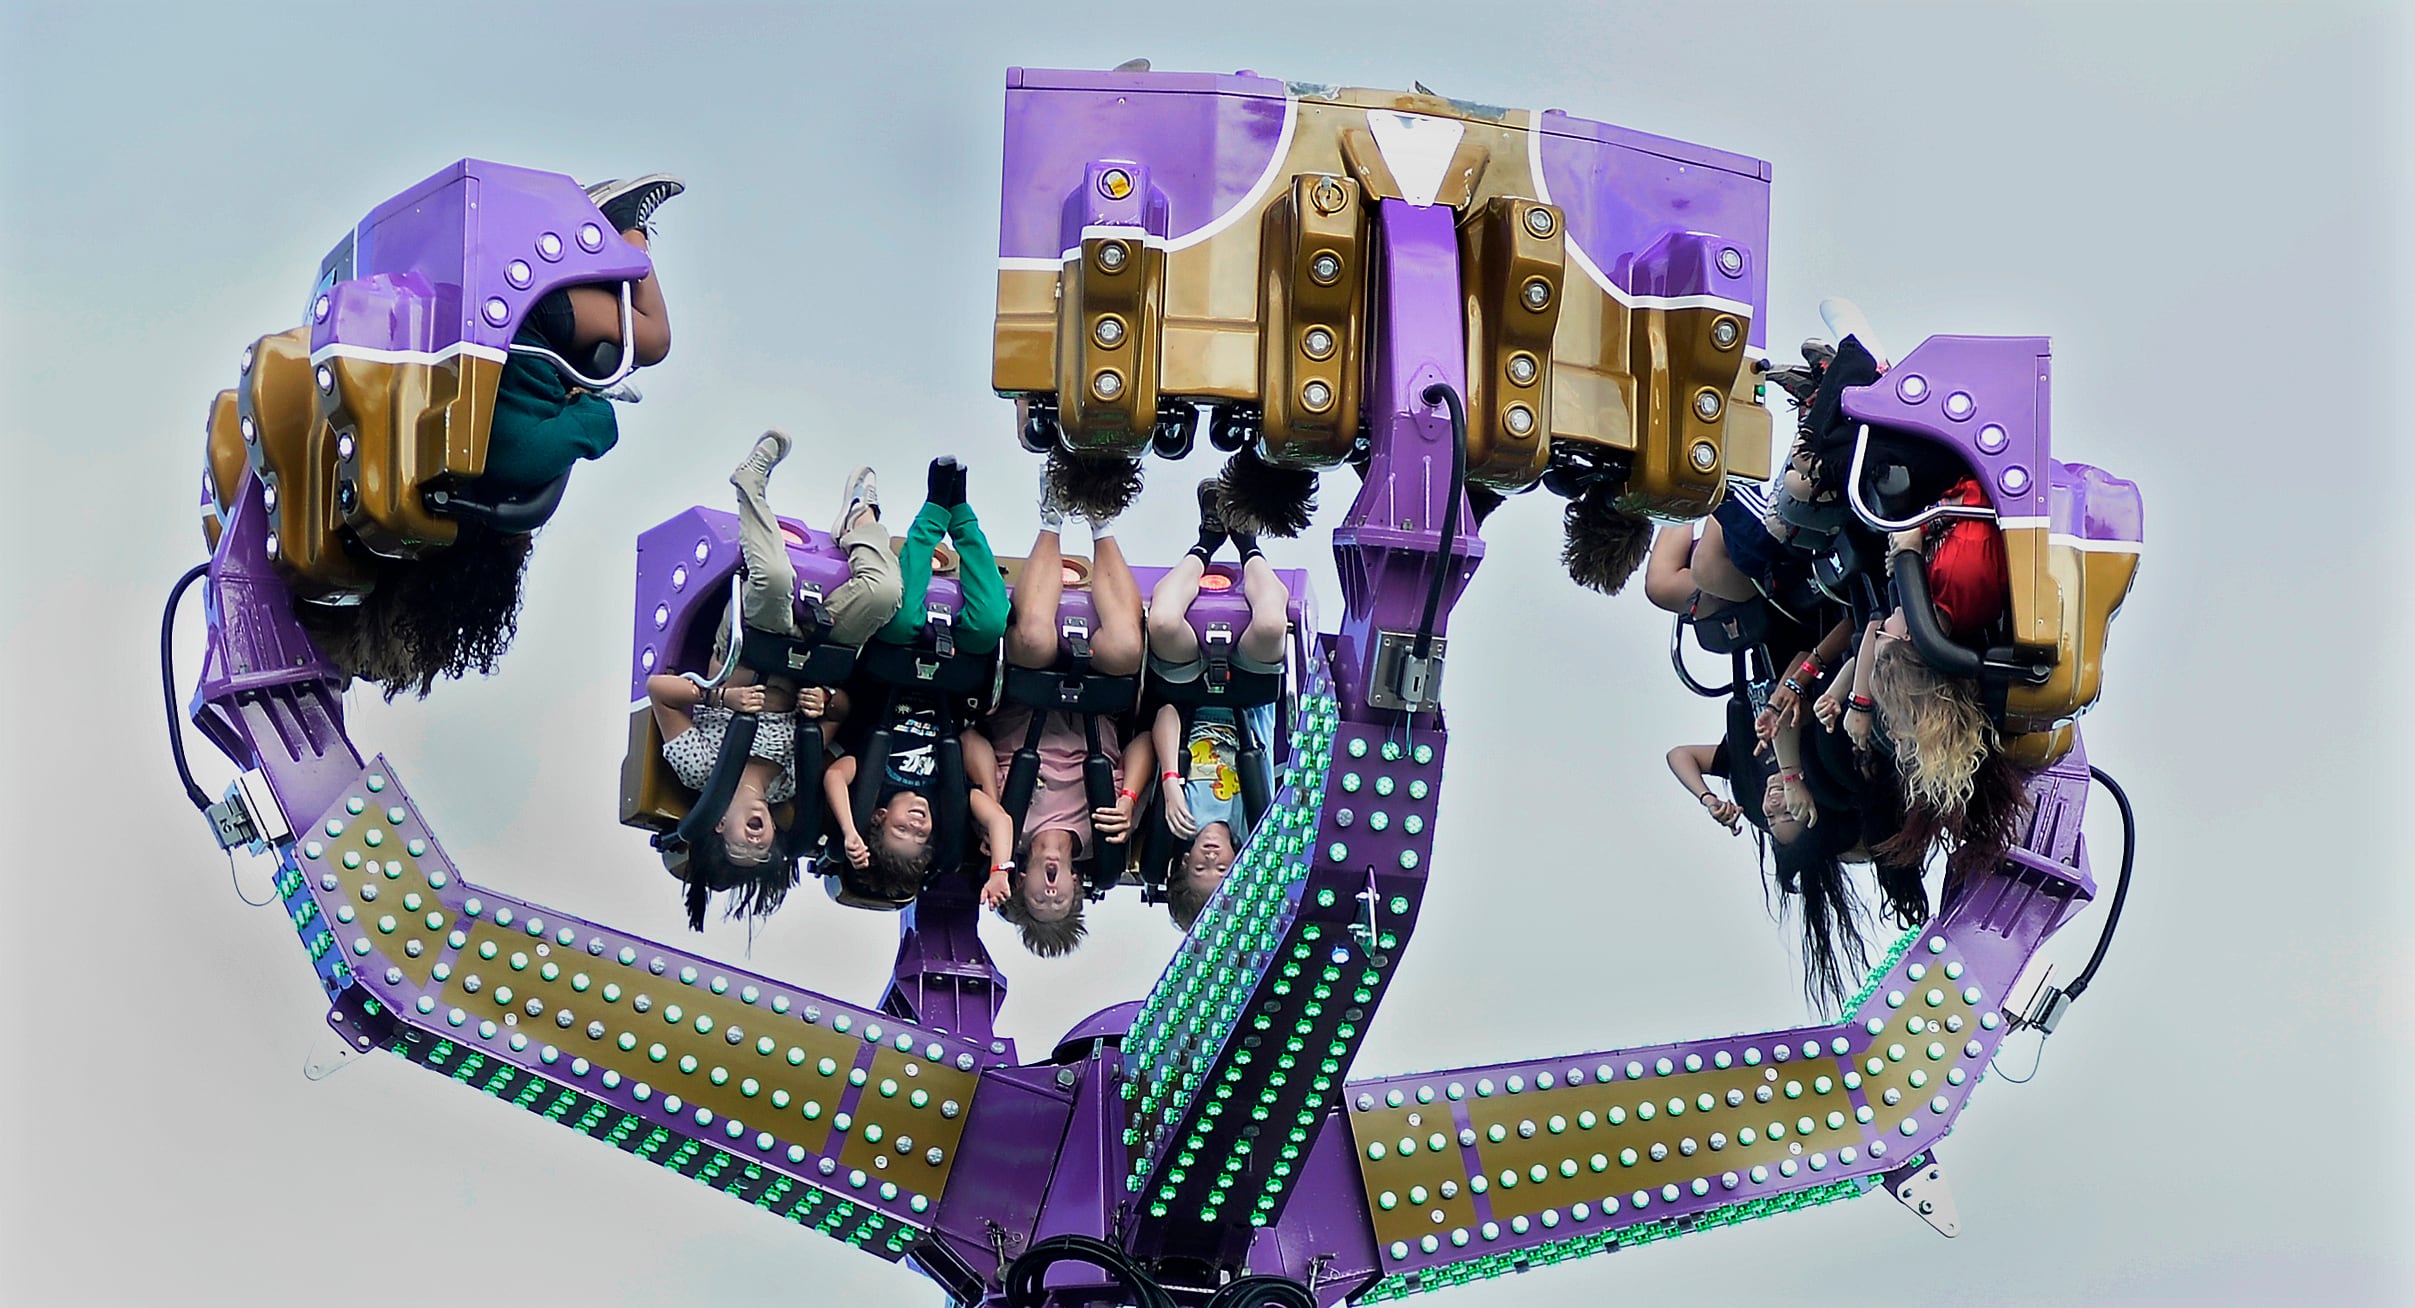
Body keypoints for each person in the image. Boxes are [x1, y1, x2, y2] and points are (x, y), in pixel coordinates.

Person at [306, 175, 684, 699]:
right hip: (467, 318)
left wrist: (579, 401)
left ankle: (623, 225)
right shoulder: (430, 482)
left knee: (652, 338)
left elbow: (601, 426)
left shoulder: (522, 484)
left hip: (528, 321)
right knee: (591, 354)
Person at [644, 431, 899, 913]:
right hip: (813, 658)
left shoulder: (700, 769)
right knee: (883, 593)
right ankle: (859, 520)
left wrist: (722, 700)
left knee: (775, 580)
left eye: (743, 846)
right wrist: (823, 703)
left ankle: (750, 488)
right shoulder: (789, 783)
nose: (758, 841)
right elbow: (843, 712)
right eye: (763, 850)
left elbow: (659, 691)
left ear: (720, 825)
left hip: (748, 652)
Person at [819, 457, 1017, 900]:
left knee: (903, 616)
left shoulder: (873, 777)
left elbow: (834, 776)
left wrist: (849, 831)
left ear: (880, 817)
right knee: (990, 622)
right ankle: (961, 512)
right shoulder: (946, 793)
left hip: (891, 670)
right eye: (921, 837)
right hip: (951, 682)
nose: (916, 825)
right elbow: (1000, 820)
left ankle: (933, 509)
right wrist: (1000, 869)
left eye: (901, 831)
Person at [981, 472, 1156, 956]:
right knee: (1123, 646)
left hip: (1026, 690)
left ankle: (1052, 513)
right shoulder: (1104, 836)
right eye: (1062, 900)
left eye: (1040, 898)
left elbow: (971, 744)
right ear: (1078, 885)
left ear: (1022, 883)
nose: (1052, 891)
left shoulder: (1002, 832)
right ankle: (1101, 521)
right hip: (1095, 695)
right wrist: (1128, 797)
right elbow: (1143, 745)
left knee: (1035, 639)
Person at [1149, 482, 1286, 930]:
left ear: (1183, 860)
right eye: (1222, 868)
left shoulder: (1177, 814)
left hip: (1188, 699)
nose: (1211, 858)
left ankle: (1207, 539)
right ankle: (1247, 541)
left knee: (1165, 622)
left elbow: (1165, 716)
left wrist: (1171, 781)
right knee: (1269, 625)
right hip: (1248, 703)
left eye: (1198, 868)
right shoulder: (1253, 822)